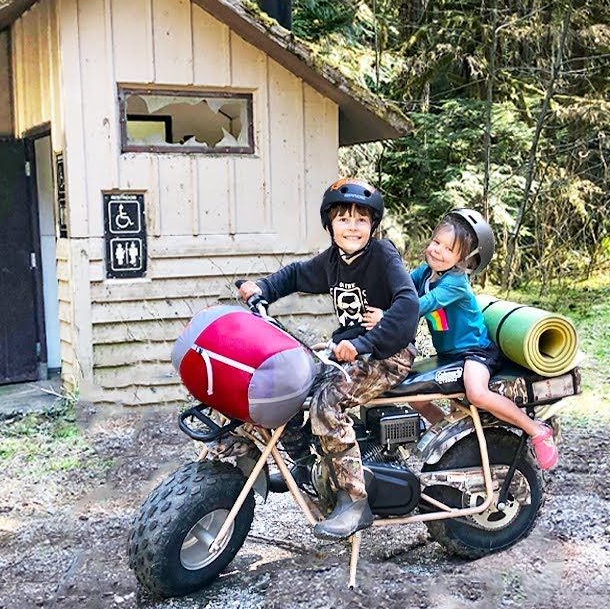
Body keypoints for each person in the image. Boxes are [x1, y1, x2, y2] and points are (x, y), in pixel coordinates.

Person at [238, 178, 419, 540]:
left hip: (389, 353)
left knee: (326, 404)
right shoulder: (334, 261)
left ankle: (355, 500)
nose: (352, 226)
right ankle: (307, 466)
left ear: (372, 226)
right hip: (351, 351)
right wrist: (263, 287)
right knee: (288, 385)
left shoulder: (382, 255)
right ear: (329, 225)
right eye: (343, 219)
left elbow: (408, 305)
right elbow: (296, 275)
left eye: (361, 220)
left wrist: (367, 342)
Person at [365, 208, 557, 470]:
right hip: (448, 354)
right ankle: (453, 438)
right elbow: (400, 292)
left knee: (476, 392)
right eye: (436, 242)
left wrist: (385, 317)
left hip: (475, 351)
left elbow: (420, 305)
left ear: (463, 259)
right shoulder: (424, 273)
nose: (437, 251)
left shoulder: (455, 283)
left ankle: (536, 430)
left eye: (448, 249)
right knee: (416, 396)